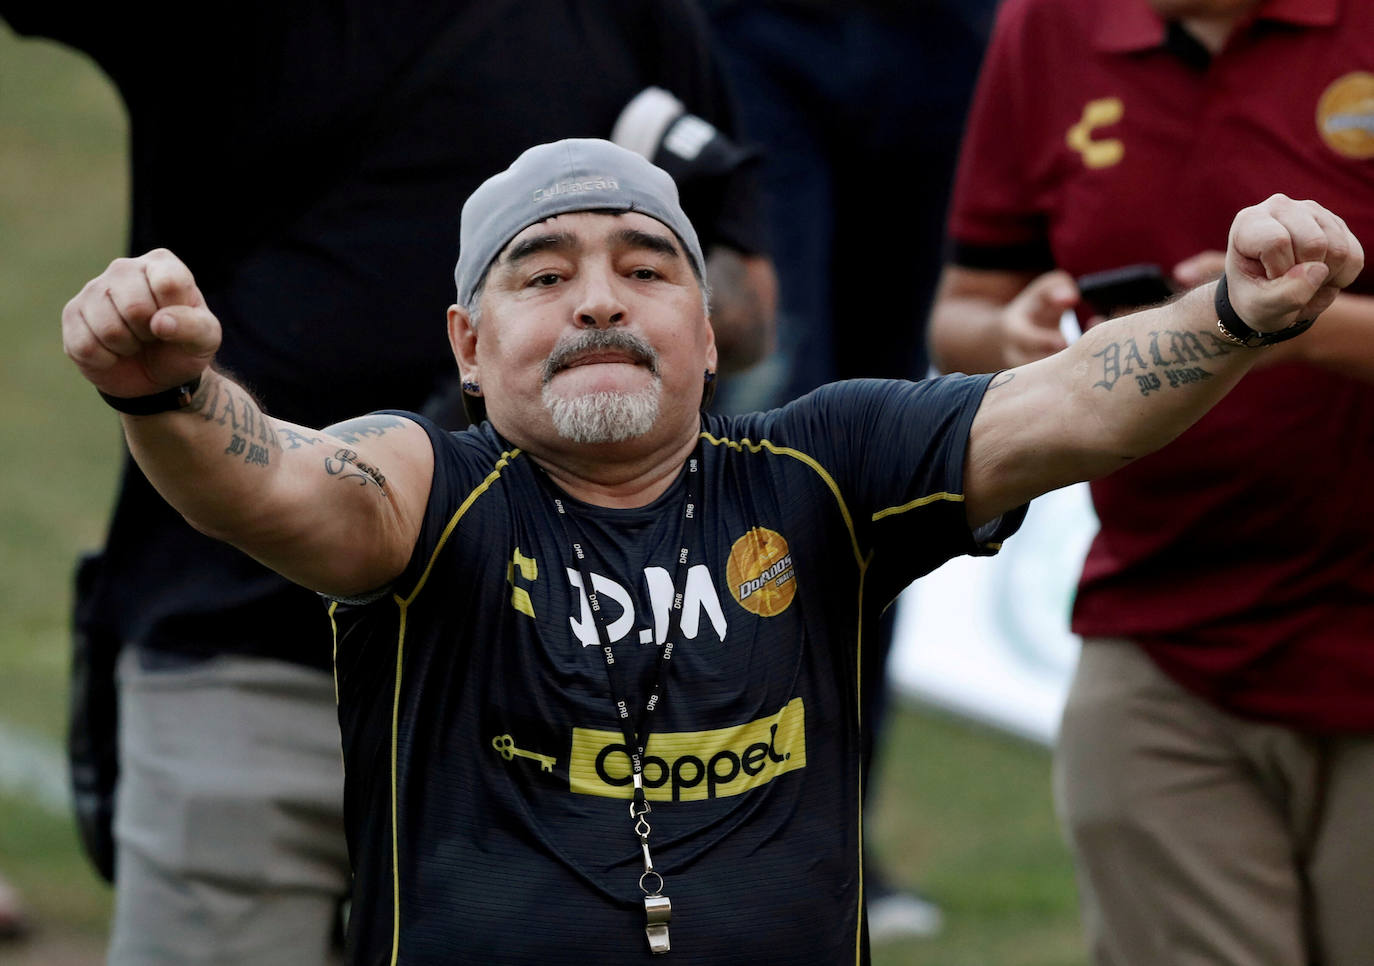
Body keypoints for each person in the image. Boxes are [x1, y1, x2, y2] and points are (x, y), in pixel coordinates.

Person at [60, 136, 1361, 964]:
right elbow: (280, 488)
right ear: (467, 344)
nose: (600, 297)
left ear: (703, 327)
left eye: (645, 266)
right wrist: (171, 394)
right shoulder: (428, 481)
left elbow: (1067, 401)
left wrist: (1236, 310)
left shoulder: (820, 467)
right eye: (541, 272)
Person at [1, 3, 773, 963]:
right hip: (242, 650)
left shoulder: (630, 19)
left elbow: (741, 304)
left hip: (541, 686)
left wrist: (639, 286)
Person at [926, 1, 1374, 963]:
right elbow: (961, 313)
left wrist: (1270, 323)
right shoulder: (1044, 27)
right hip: (1158, 644)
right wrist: (1010, 337)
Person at [700, 1, 1000, 933]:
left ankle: (837, 824)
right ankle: (712, 815)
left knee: (883, 450)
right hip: (756, 38)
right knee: (771, 412)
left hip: (938, 43)